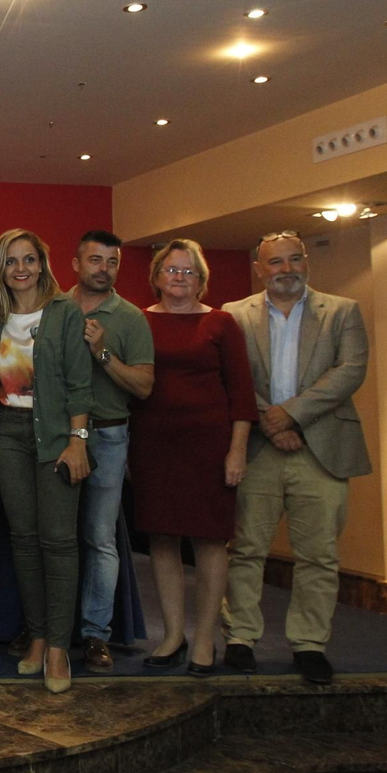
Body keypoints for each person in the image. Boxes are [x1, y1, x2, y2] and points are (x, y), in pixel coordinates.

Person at [221, 231, 370, 685]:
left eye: (294, 260)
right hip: (260, 448)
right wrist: (271, 421)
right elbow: (234, 376)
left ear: (306, 262)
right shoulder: (235, 315)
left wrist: (293, 417)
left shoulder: (342, 311)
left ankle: (309, 644)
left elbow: (350, 371)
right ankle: (240, 638)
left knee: (319, 555)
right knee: (246, 549)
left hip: (321, 449)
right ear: (259, 269)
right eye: (276, 262)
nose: (286, 269)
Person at [130, 240, 256, 674]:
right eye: (171, 269)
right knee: (162, 539)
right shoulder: (140, 320)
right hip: (153, 447)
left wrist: (236, 451)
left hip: (209, 448)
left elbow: (242, 395)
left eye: (188, 271)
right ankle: (171, 636)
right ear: (157, 276)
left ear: (201, 279)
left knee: (209, 542)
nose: (179, 277)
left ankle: (204, 641)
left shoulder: (222, 324)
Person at [0, 228, 91, 694]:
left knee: (59, 541)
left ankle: (59, 648)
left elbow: (79, 382)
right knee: (24, 539)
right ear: (0, 269)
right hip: (7, 433)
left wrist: (78, 439)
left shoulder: (64, 312)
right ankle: (39, 637)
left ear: (43, 264)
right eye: (11, 261)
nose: (21, 269)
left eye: (29, 259)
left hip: (55, 435)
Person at [65, 230, 155, 672]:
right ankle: (49, 630)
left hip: (109, 436)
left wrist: (101, 353)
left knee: (100, 539)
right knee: (56, 537)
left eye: (112, 262)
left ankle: (95, 634)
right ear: (76, 264)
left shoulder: (131, 318)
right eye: (95, 260)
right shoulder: (53, 307)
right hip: (58, 438)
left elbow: (143, 385)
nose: (104, 269)